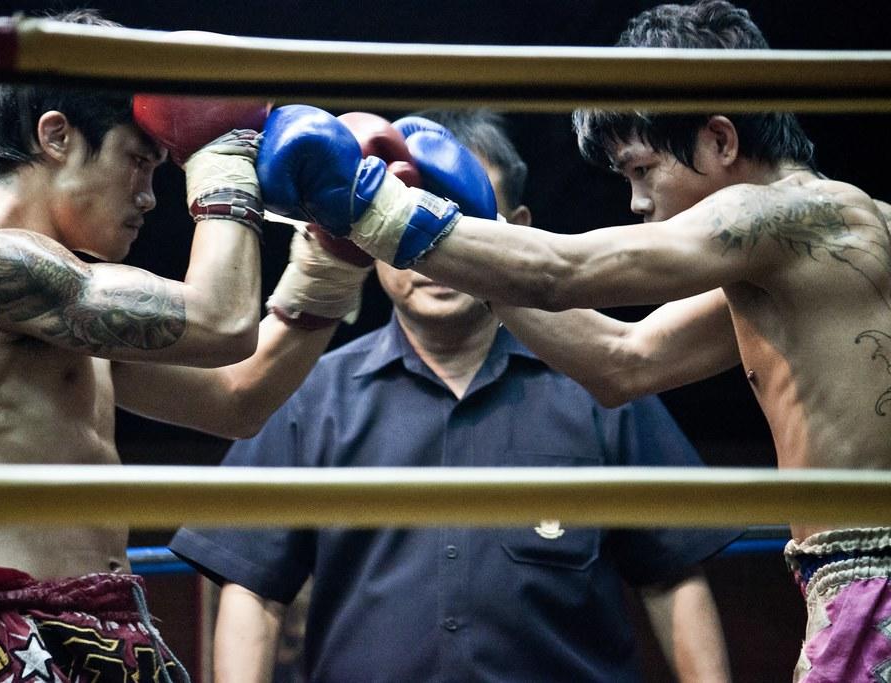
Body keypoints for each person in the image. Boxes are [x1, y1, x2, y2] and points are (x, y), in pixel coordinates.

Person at [254, 3, 891, 680]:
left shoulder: (786, 214)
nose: (637, 202)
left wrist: (367, 207)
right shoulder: (817, 248)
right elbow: (622, 361)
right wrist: (481, 241)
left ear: (721, 141)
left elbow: (563, 272)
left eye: (642, 170)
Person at [0, 10, 373, 683]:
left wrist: (331, 261)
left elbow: (240, 397)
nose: (150, 198)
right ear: (56, 135)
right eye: (137, 163)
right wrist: (222, 155)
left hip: (115, 629)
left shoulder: (67, 309)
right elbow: (220, 320)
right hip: (9, 638)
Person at [172, 109, 738, 682]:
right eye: (410, 218)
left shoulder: (598, 383)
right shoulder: (307, 393)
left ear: (514, 228)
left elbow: (672, 578)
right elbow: (252, 589)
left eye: (458, 223)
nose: (434, 254)